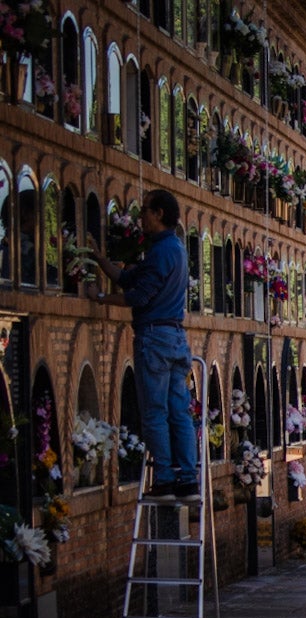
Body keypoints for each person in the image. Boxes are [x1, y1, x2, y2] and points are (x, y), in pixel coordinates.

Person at [90, 189, 199, 501]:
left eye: (145, 211)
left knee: (153, 412)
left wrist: (99, 297)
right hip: (176, 338)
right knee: (179, 411)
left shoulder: (161, 252)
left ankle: (164, 479)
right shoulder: (174, 249)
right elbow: (130, 278)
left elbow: (137, 295)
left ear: (159, 214)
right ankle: (188, 480)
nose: (141, 218)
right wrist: (101, 261)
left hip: (154, 339)